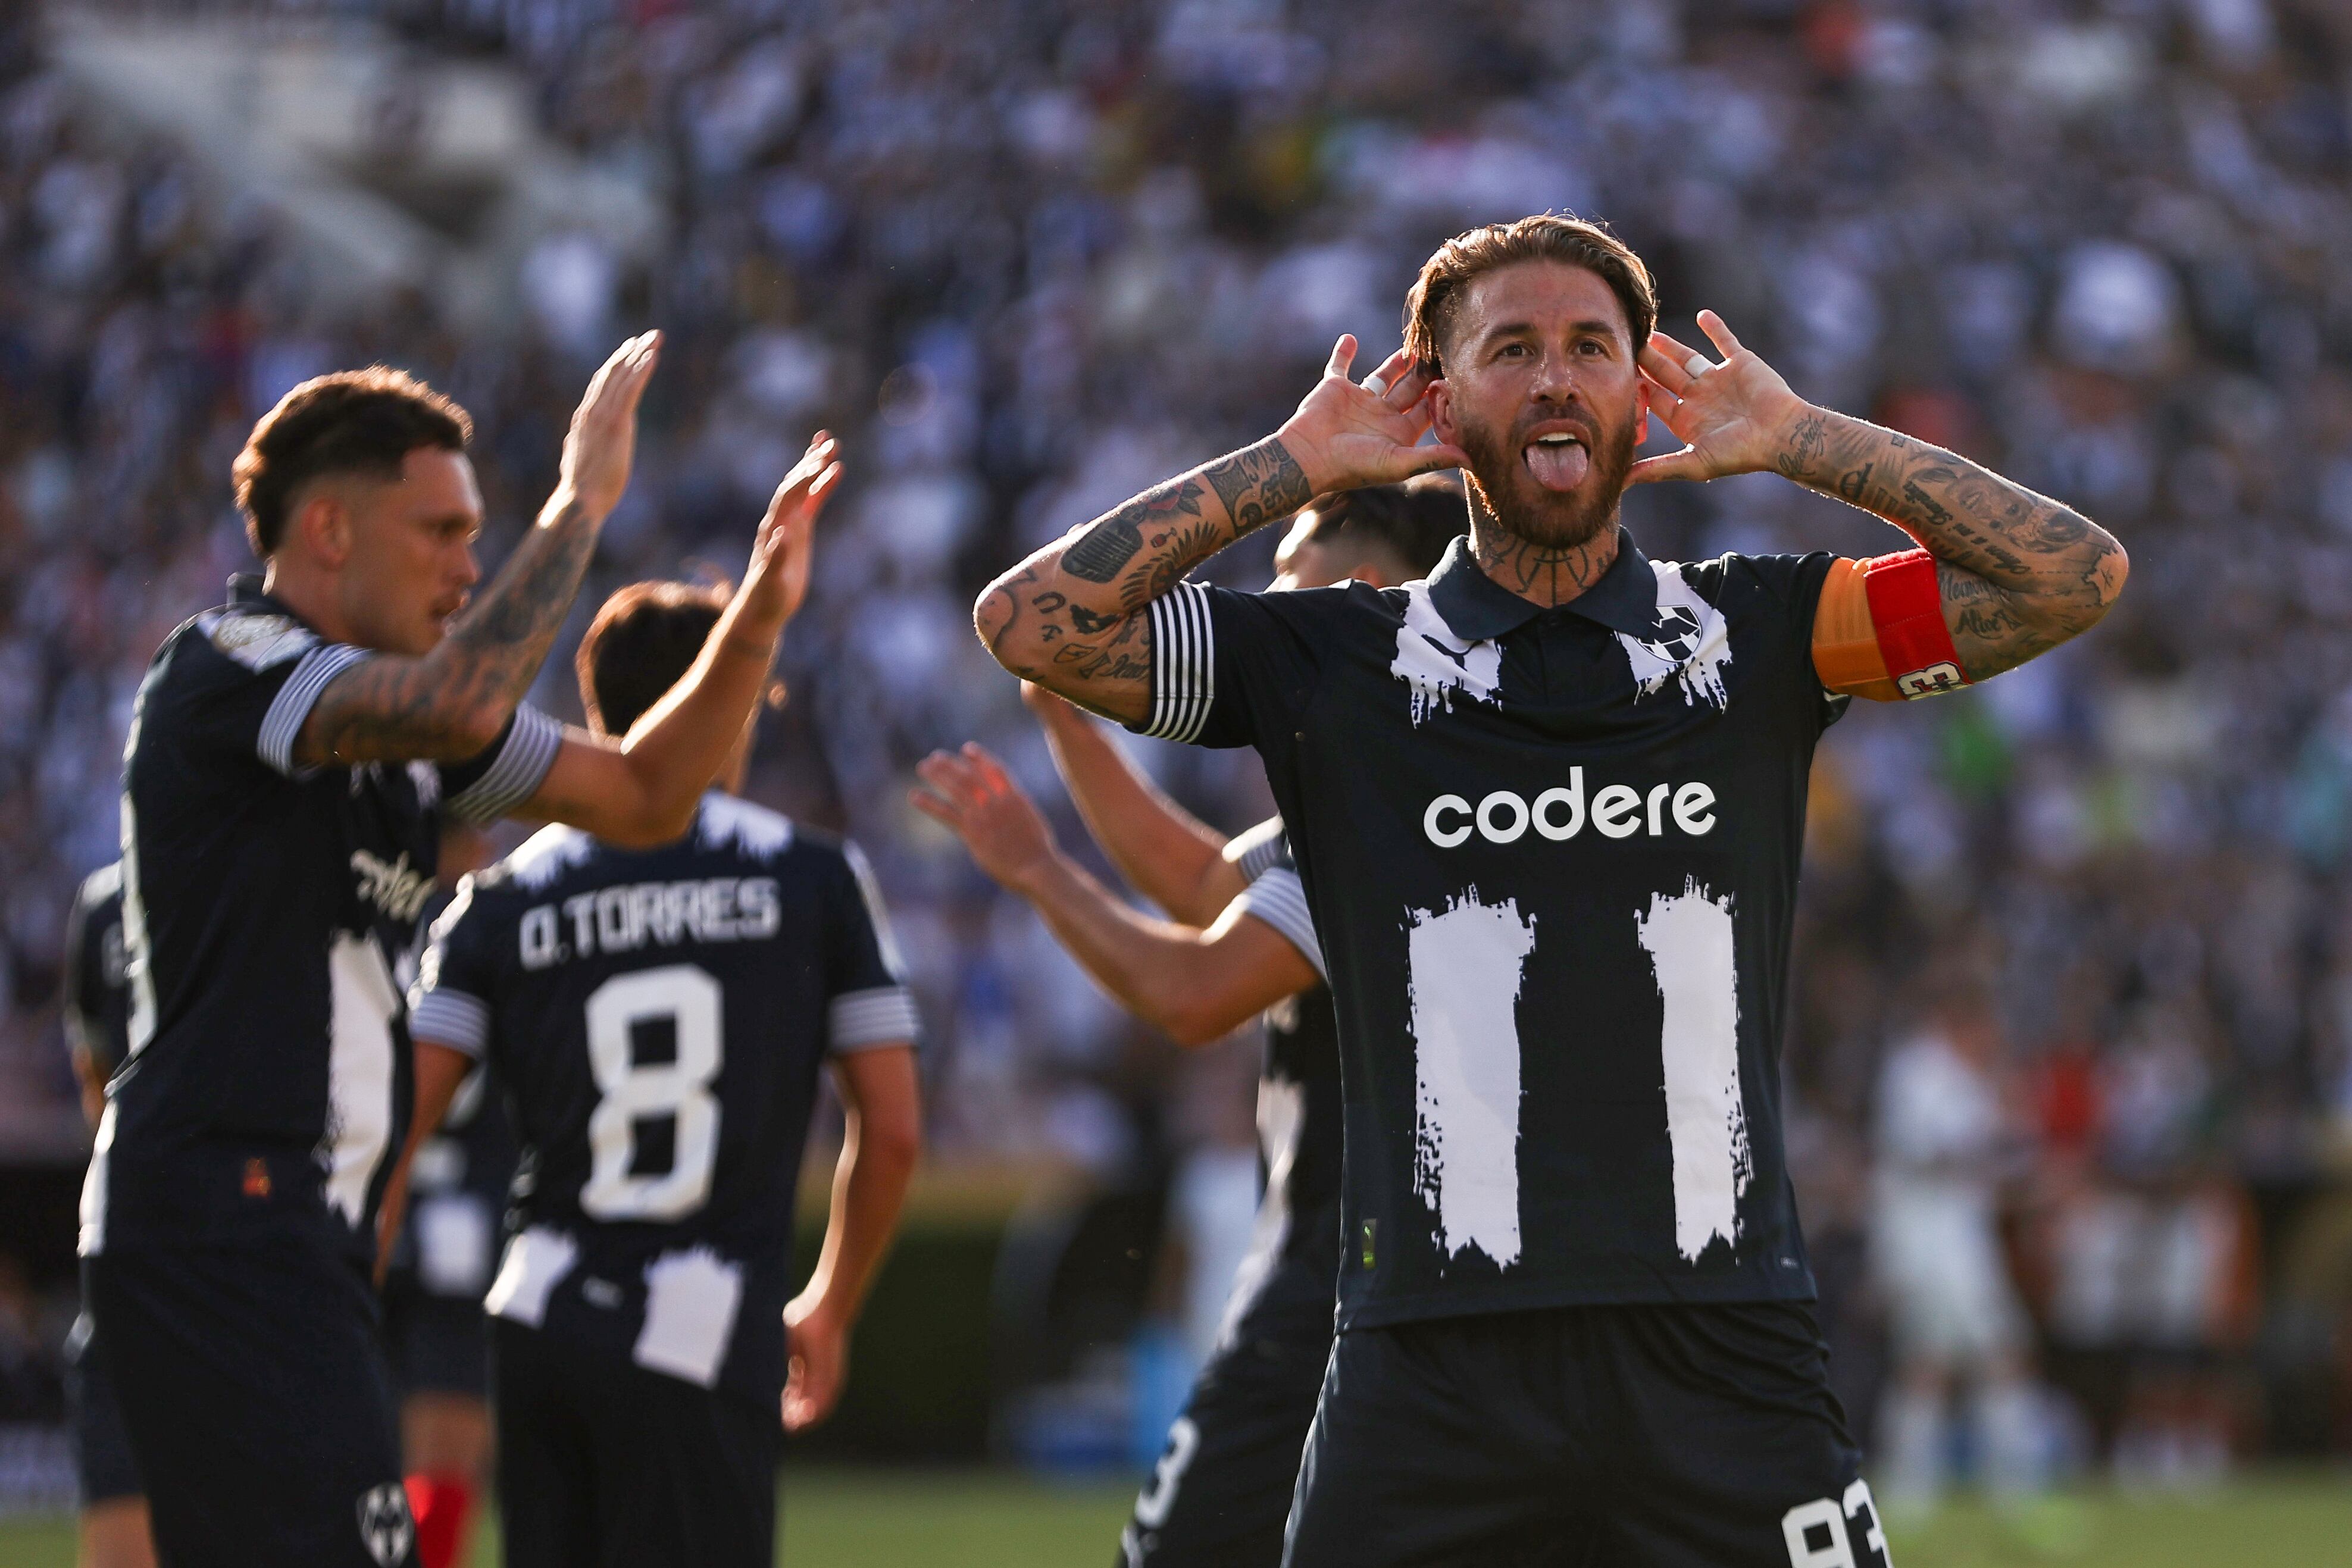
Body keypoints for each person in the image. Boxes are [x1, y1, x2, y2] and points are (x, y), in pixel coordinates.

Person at [974, 213, 2128, 1566]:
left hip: (1720, 1355)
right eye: (1509, 349)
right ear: (1439, 397)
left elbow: (2072, 576)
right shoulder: (1337, 661)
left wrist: (1804, 438)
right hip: (1428, 1367)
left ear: (1640, 390)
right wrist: (1293, 465)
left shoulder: (1758, 632)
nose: (1554, 379)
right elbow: (1032, 623)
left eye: (1590, 347)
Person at [80, 334, 840, 1568]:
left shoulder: (406, 732)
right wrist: (579, 504)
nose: (468, 565)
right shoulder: (230, 665)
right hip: (223, 1212)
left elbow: (647, 795)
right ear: (329, 530)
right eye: (439, 531)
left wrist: (757, 614)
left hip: (294, 1231)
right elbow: (456, 704)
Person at [914, 480, 1459, 1568]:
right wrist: (1066, 721)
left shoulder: (1386, 801)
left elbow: (1193, 992)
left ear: (1363, 589)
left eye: (1290, 577)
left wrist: (1039, 871)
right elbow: (1207, 887)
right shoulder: (1417, 773)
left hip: (1345, 1278)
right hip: (1396, 1270)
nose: (1268, 603)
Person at [399, 577, 924, 1568]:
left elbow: (396, 1123)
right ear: (728, 698)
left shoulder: (497, 901)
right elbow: (892, 1130)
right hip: (703, 1319)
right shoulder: (810, 878)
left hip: (540, 1309)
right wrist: (832, 1301)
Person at [377, 826, 511, 1568]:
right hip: (463, 1220)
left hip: (370, 1208)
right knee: (446, 1461)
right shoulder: (488, 925)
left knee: (354, 1449)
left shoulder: (369, 914)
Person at [1870, 985, 2043, 1510]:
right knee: (1983, 1354)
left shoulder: (1968, 1081)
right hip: (1927, 1239)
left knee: (1934, 1360)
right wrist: (1993, 1137)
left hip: (1961, 1236)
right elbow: (1924, 1150)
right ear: (1961, 1021)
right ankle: (2012, 1488)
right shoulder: (1917, 1071)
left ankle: (1916, 1492)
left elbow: (1996, 1162)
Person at [60, 863, 153, 1568]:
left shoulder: (102, 905)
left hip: (146, 1232)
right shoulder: (99, 906)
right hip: (157, 1239)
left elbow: (92, 1072)